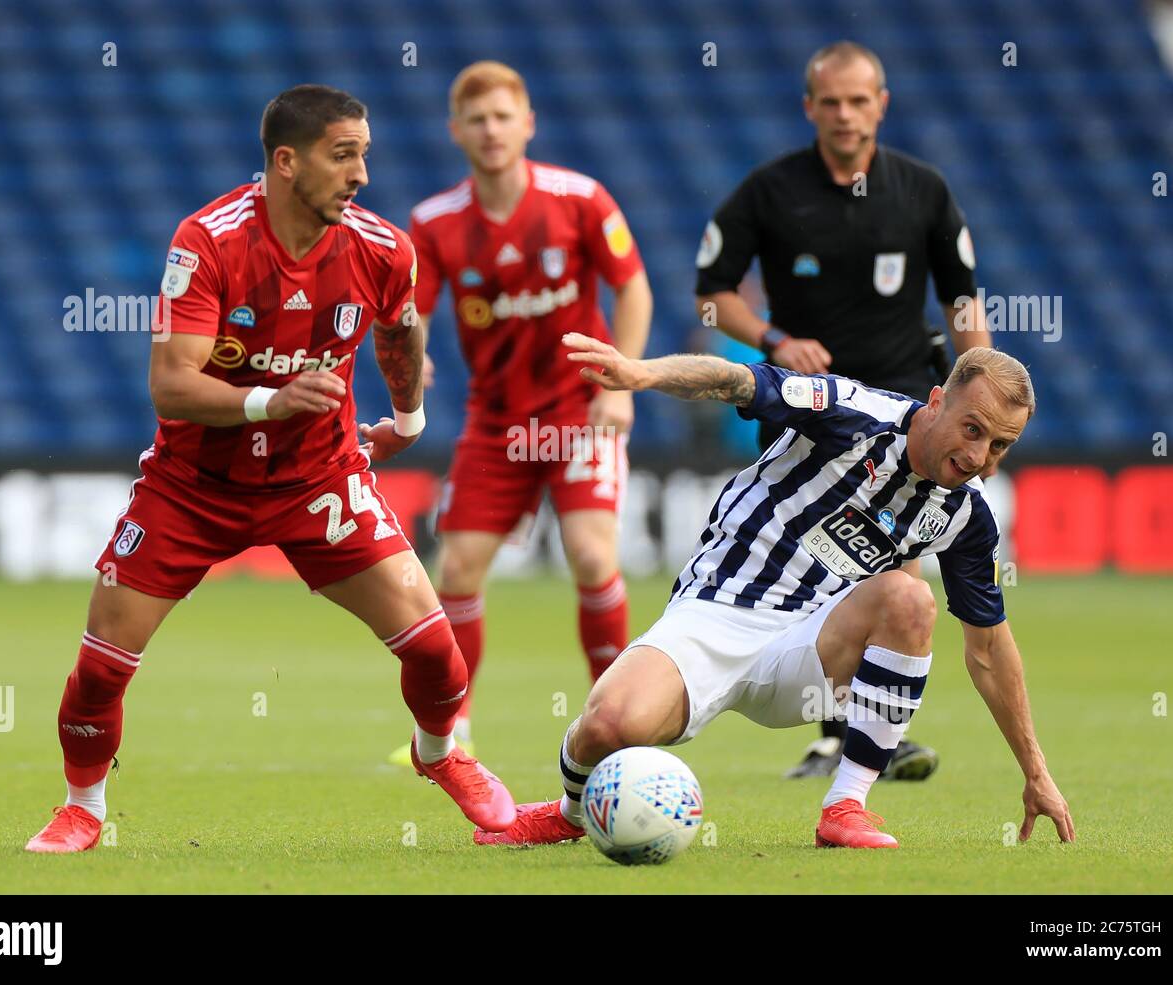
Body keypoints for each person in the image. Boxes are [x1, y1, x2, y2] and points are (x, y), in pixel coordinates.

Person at [24, 84, 516, 853]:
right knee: (101, 666)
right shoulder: (208, 241)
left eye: (365, 155)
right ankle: (83, 805)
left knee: (433, 648)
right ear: (287, 161)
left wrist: (411, 418)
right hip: (193, 487)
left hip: (318, 478)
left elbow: (399, 329)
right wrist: (269, 401)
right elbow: (171, 383)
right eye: (342, 155)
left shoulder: (383, 248)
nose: (360, 174)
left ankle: (441, 754)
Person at [475, 336, 1074, 850]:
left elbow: (990, 649)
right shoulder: (852, 411)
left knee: (909, 598)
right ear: (938, 402)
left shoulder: (966, 518)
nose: (979, 458)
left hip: (809, 650)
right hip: (715, 615)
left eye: (1000, 447)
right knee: (607, 726)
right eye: (973, 431)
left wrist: (1037, 773)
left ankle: (845, 807)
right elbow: (739, 381)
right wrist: (641, 375)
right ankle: (572, 813)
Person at [695, 40, 995, 780]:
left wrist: (978, 384)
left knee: (895, 579)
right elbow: (712, 291)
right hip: (810, 412)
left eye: (860, 100)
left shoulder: (923, 190)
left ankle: (860, 738)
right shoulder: (770, 191)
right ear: (810, 108)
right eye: (830, 101)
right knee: (815, 571)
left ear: (881, 105)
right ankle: (838, 734)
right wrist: (773, 339)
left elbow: (962, 299)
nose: (845, 114)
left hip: (903, 413)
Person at [388, 61, 653, 762]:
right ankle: (450, 732)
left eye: (504, 116)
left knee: (593, 555)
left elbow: (634, 291)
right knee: (457, 571)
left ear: (527, 123)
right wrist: (414, 354)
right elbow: (410, 313)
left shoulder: (581, 198)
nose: (491, 129)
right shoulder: (435, 221)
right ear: (457, 132)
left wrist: (619, 383)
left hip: (578, 412)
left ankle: (618, 721)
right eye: (477, 119)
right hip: (498, 423)